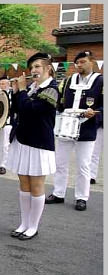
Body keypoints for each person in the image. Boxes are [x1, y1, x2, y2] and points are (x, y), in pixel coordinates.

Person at [7, 52, 59, 240]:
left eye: (37, 67)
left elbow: (30, 110)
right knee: (24, 184)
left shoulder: (52, 89)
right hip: (22, 141)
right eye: (32, 68)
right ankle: (24, 223)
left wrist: (21, 91)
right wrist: (15, 91)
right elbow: (16, 110)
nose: (33, 71)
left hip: (39, 144)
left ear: (48, 68)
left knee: (36, 186)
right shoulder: (31, 89)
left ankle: (33, 226)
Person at [45, 50, 103, 211]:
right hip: (66, 126)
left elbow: (103, 106)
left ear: (92, 62)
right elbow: (60, 102)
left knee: (83, 165)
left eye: (83, 62)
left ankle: (82, 197)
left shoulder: (101, 81)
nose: (79, 65)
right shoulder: (69, 80)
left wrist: (96, 114)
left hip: (87, 128)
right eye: (77, 63)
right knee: (60, 162)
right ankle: (58, 193)